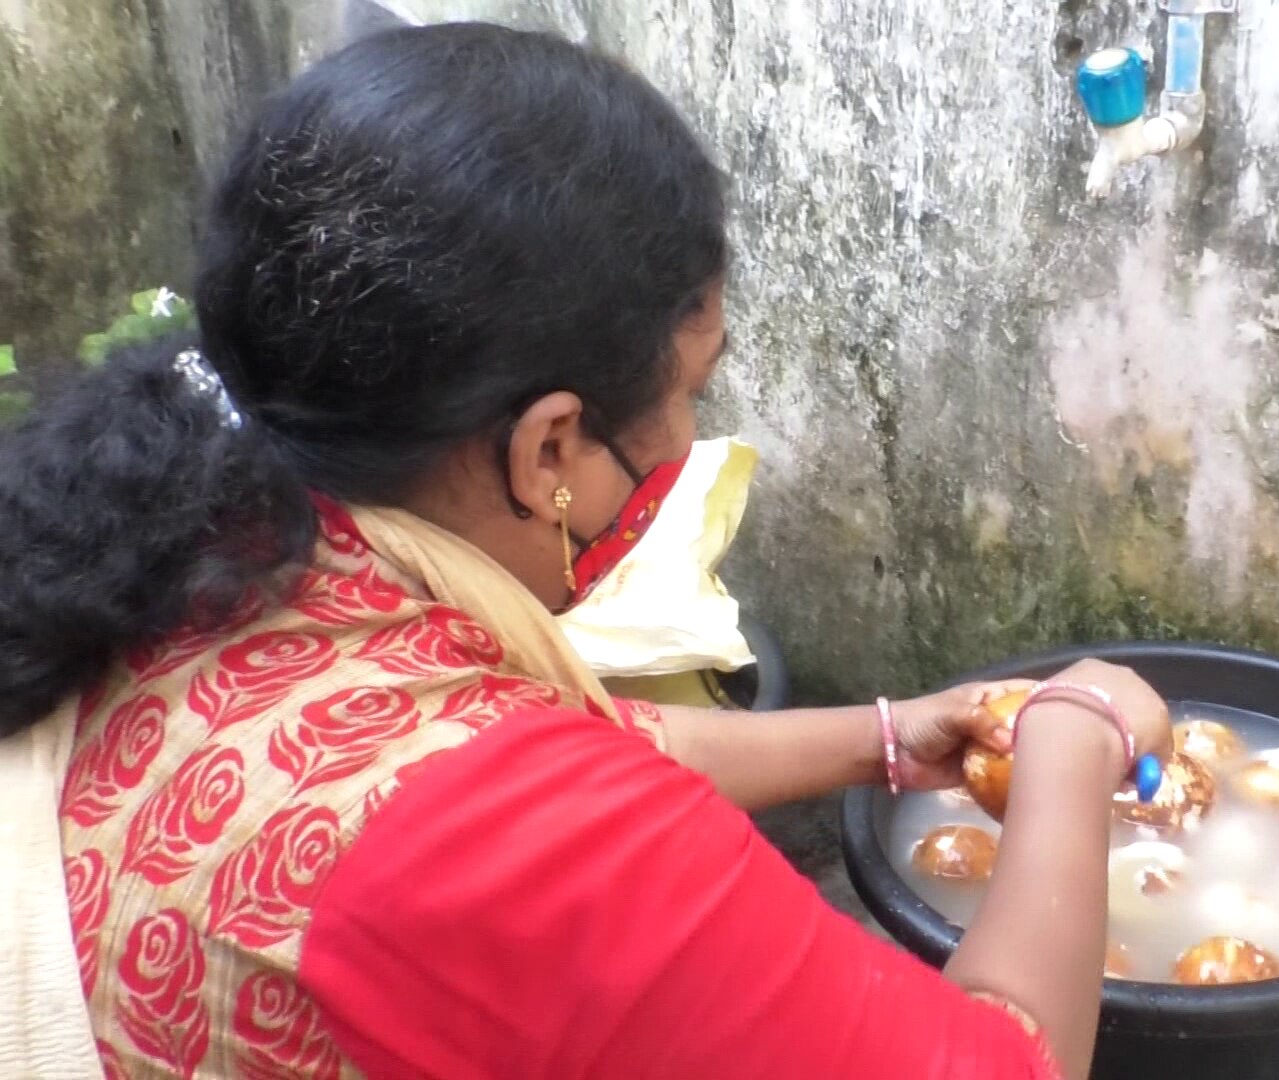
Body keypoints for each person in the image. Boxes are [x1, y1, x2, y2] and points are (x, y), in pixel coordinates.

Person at [0, 22, 1173, 1080]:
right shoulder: (507, 843)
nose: (689, 437)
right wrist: (1073, 741)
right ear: (549, 447)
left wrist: (881, 737)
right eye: (688, 390)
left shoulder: (186, 535)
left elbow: (566, 744)